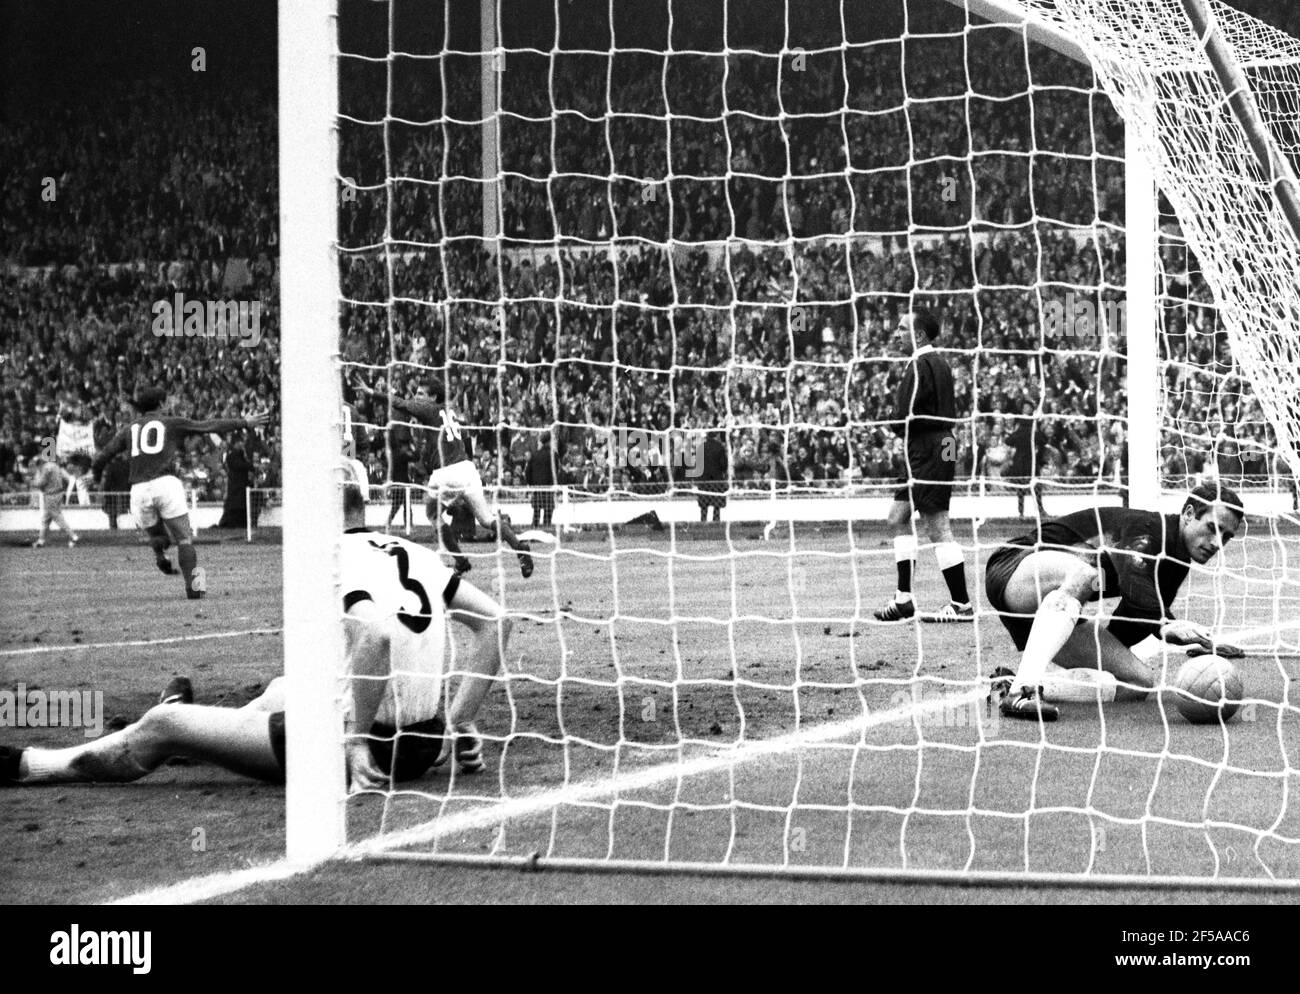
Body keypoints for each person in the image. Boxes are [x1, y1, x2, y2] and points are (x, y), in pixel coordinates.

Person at [1, 462, 514, 788]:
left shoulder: (334, 558)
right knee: (279, 690)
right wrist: (461, 719)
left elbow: (374, 635)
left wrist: (354, 739)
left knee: (163, 729)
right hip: (423, 745)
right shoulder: (413, 550)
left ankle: (33, 763)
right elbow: (495, 622)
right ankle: (211, 731)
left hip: (370, 748)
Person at [985, 483, 1246, 721]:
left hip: (1051, 612)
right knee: (1085, 574)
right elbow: (1133, 573)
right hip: (1013, 568)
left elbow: (1129, 623)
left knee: (1138, 682)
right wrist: (1165, 623)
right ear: (1189, 514)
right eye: (1212, 528)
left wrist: (1183, 636)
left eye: (1226, 536)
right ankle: (1023, 691)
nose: (1217, 543)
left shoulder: (1176, 565)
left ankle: (1011, 683)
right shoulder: (1148, 529)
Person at [91, 387, 268, 598]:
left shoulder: (129, 429)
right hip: (165, 484)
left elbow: (103, 456)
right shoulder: (171, 422)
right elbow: (208, 426)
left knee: (157, 535)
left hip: (138, 490)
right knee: (184, 539)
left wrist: (95, 476)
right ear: (162, 404)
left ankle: (161, 555)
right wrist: (244, 422)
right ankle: (193, 588)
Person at [359, 379, 532, 578]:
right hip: (467, 468)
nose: (416, 397)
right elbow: (461, 439)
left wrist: (371, 392)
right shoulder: (450, 413)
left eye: (421, 393)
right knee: (486, 519)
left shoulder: (429, 410)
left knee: (432, 514)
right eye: (416, 393)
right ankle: (520, 547)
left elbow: (399, 403)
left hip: (447, 473)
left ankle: (460, 561)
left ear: (433, 397)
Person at [873, 309, 974, 624]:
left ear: (918, 334)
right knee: (898, 517)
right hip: (935, 445)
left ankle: (962, 604)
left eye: (902, 328)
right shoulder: (939, 362)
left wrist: (890, 420)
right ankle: (904, 599)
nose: (897, 334)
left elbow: (904, 415)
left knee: (937, 525)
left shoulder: (920, 364)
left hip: (929, 447)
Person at [29, 454, 79, 548]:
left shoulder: (46, 468)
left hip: (51, 496)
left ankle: (73, 536)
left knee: (58, 518)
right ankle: (41, 541)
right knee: (45, 519)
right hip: (57, 494)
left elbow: (41, 483)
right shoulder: (55, 466)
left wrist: (33, 483)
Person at [524, 435, 559, 528]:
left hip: (537, 488)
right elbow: (555, 472)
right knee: (548, 510)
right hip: (548, 488)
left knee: (536, 511)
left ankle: (534, 529)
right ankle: (547, 528)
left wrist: (532, 484)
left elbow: (527, 472)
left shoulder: (535, 454)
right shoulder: (553, 455)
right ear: (549, 442)